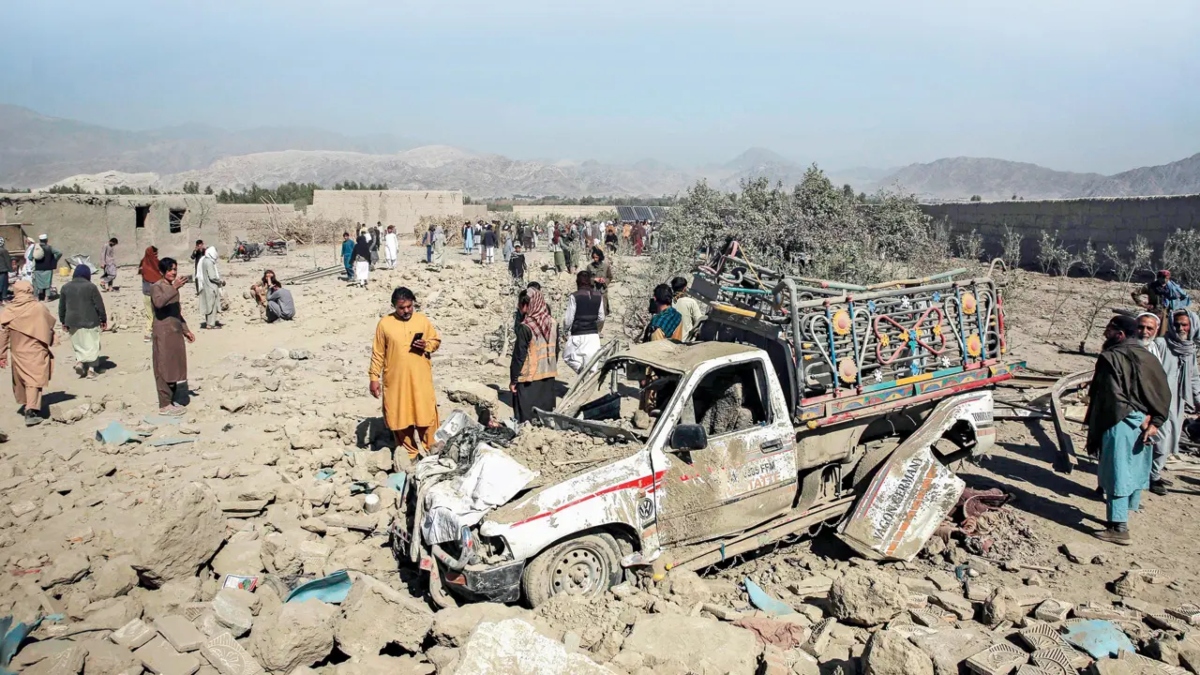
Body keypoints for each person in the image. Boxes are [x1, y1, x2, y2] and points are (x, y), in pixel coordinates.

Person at [1083, 315, 1170, 545]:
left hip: (1120, 422)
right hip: (1145, 425)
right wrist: (1155, 421)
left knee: (1117, 472)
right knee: (1134, 467)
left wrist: (1138, 419)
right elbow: (1162, 391)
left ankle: (1118, 527)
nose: (1105, 334)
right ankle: (1129, 509)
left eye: (1109, 330)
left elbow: (1114, 397)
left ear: (1119, 334)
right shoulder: (1148, 357)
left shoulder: (1111, 358)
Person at [370, 287, 441, 460]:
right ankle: (410, 454)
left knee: (426, 414)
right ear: (394, 306)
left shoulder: (422, 321)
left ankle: (434, 449)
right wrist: (374, 377)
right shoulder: (385, 324)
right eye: (402, 308)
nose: (407, 311)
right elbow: (378, 353)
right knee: (399, 416)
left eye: (410, 306)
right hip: (396, 380)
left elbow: (435, 340)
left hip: (420, 379)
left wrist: (427, 345)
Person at [1148, 310, 1200, 496]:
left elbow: (1193, 376)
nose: (1180, 328)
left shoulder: (1189, 348)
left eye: (1184, 324)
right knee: (1160, 439)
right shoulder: (1161, 344)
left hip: (1178, 402)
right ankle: (1152, 478)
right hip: (1159, 400)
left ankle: (1154, 472)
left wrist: (1198, 400)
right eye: (1177, 324)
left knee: (1171, 438)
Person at [0, 281, 56, 426]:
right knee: (34, 380)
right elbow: (49, 325)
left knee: (23, 379)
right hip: (36, 349)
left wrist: (2, 354)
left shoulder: (9, 310)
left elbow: (3, 334)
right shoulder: (38, 308)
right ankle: (31, 410)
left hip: (18, 350)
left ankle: (29, 405)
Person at [151, 258, 196, 415]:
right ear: (163, 271)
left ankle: (171, 400)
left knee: (174, 366)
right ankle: (164, 404)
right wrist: (174, 288)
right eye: (170, 269)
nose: (173, 272)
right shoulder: (157, 287)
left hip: (175, 331)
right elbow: (159, 303)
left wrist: (186, 330)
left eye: (175, 269)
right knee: (163, 366)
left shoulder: (171, 287)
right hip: (163, 332)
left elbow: (176, 312)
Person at [510, 288, 558, 424]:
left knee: (526, 420)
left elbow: (519, 356)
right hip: (548, 375)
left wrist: (513, 380)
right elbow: (556, 350)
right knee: (544, 418)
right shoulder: (553, 323)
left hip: (528, 378)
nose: (520, 307)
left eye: (522, 304)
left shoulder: (526, 327)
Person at [59, 265, 107, 378]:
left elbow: (62, 307)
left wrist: (63, 321)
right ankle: (91, 369)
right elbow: (99, 305)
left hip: (72, 321)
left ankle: (80, 362)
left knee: (78, 343)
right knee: (92, 344)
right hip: (90, 320)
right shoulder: (91, 287)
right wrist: (103, 319)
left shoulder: (65, 287)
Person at [563, 270, 605, 373]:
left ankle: (581, 371)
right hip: (593, 336)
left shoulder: (575, 296)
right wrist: (597, 329)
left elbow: (569, 319)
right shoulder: (598, 296)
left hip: (577, 333)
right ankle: (585, 377)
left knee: (568, 357)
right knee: (592, 367)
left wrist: (565, 330)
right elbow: (601, 317)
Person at [1133, 270, 1191, 336]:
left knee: (1163, 334)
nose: (1164, 280)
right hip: (1153, 312)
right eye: (1162, 278)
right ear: (1158, 278)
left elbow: (1183, 297)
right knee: (1150, 331)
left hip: (1166, 314)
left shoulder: (1171, 288)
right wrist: (1144, 304)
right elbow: (1135, 293)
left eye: (1166, 278)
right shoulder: (1150, 286)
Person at [196, 246, 224, 329]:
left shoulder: (204, 260)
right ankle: (211, 324)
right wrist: (220, 281)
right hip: (211, 287)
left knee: (208, 305)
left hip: (206, 286)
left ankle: (208, 322)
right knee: (212, 306)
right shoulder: (209, 262)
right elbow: (212, 277)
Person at [139, 246, 162, 343]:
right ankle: (149, 334)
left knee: (152, 314)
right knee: (152, 315)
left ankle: (151, 333)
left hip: (147, 293)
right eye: (155, 254)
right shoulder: (155, 264)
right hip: (153, 293)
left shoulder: (143, 263)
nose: (156, 256)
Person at [32, 234, 61, 301]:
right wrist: (55, 259)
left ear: (40, 240)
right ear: (46, 240)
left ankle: (36, 297)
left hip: (38, 268)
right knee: (47, 283)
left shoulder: (36, 248)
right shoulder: (49, 248)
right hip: (48, 268)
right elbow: (59, 253)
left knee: (36, 283)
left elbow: (30, 257)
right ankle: (46, 298)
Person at [588, 247, 614, 315]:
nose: (595, 259)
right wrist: (594, 280)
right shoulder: (589, 267)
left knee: (603, 311)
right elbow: (586, 278)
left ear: (600, 257)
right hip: (593, 290)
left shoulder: (606, 266)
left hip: (603, 290)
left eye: (596, 257)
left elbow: (610, 277)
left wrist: (605, 281)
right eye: (594, 257)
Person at [0, 238, 10, 303]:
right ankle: (4, 298)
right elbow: (7, 260)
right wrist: (11, 270)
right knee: (4, 284)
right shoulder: (4, 251)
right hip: (3, 270)